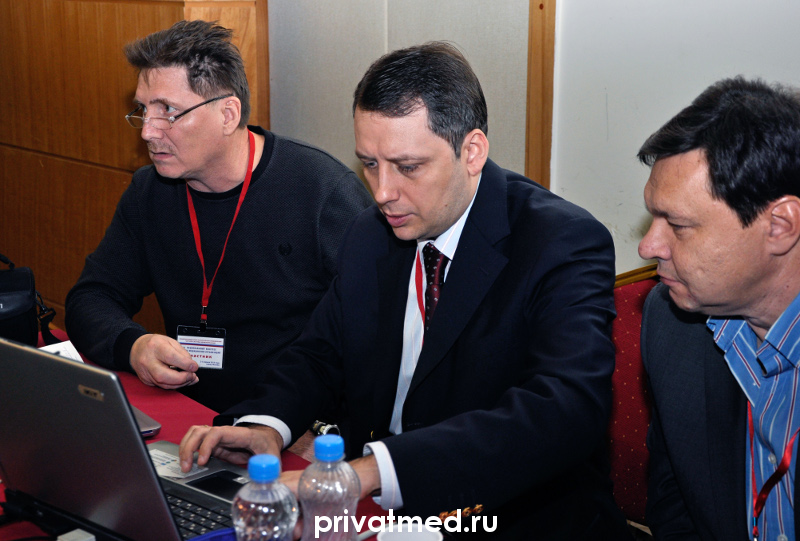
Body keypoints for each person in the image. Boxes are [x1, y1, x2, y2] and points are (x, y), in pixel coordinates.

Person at [179, 42, 631, 539]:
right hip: (380, 513)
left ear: (472, 151)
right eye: (370, 164)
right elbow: (320, 353)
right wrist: (267, 425)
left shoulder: (560, 241)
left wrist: (373, 471)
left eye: (408, 166)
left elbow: (563, 409)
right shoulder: (372, 233)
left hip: (510, 517)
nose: (382, 192)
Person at [64, 20, 372, 413]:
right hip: (189, 411)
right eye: (143, 110)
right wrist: (133, 345)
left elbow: (372, 336)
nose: (147, 132)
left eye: (168, 111)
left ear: (228, 114)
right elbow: (91, 297)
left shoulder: (322, 192)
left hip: (293, 420)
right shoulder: (149, 191)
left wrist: (302, 425)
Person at [637, 77, 800, 540]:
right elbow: (675, 506)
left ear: (780, 225)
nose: (648, 246)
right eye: (653, 216)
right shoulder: (672, 323)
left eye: (678, 225)